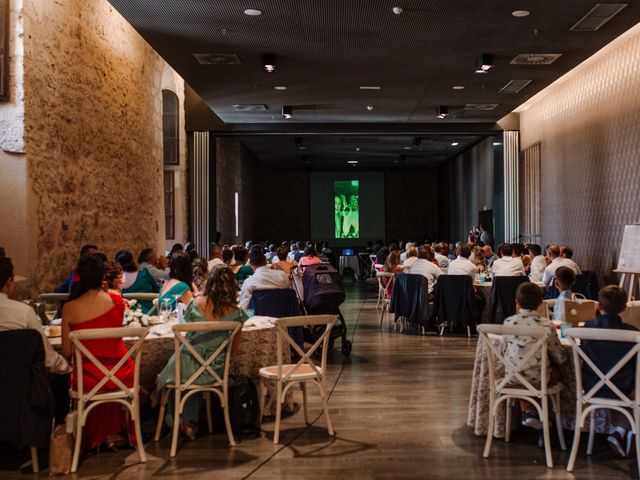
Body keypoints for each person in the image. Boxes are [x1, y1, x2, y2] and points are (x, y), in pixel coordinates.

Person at [156, 266, 247, 440]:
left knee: (178, 368)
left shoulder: (196, 304)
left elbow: (188, 330)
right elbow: (234, 347)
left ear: (209, 283)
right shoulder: (237, 313)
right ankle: (188, 422)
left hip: (188, 364)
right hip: (216, 369)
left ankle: (175, 416)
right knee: (184, 369)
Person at [61, 254, 135, 450]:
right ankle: (112, 432)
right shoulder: (117, 302)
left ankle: (96, 435)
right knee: (109, 374)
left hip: (89, 378)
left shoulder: (69, 308)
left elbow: (67, 352)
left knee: (89, 373)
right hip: (120, 373)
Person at [581, 285, 639, 457]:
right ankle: (622, 430)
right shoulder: (633, 333)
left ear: (599, 306)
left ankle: (620, 430)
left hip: (591, 386)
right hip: (623, 388)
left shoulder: (587, 328)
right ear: (624, 308)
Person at [502, 283, 566, 430]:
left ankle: (529, 412)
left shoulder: (508, 322)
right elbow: (559, 356)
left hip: (511, 377)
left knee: (521, 368)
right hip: (539, 378)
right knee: (557, 370)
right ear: (541, 303)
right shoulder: (547, 325)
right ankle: (546, 419)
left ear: (516, 302)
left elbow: (504, 350)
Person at [0, 257, 69, 374]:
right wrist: (68, 368)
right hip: (20, 385)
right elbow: (50, 361)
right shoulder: (23, 312)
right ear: (8, 282)